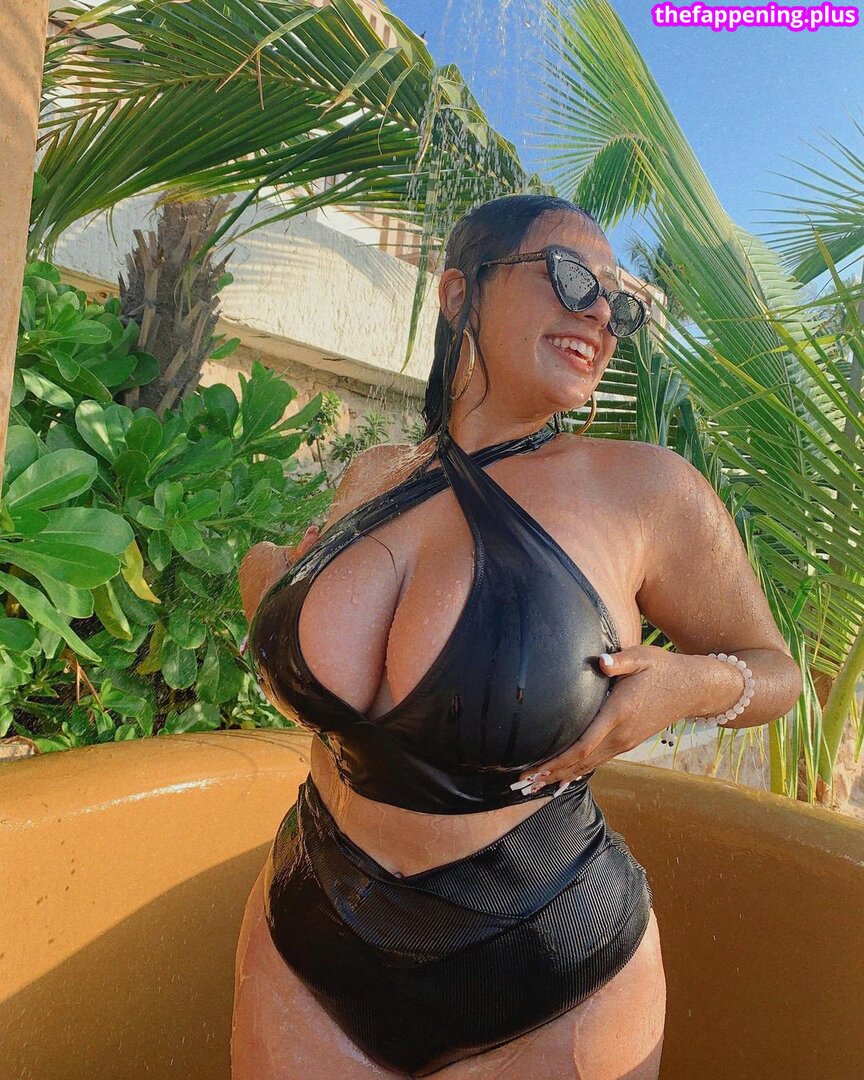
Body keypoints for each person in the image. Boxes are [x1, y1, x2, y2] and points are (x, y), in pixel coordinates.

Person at [231, 194, 803, 1079]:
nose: (600, 314)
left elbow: (777, 674)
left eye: (620, 302)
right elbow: (340, 682)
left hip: (549, 968)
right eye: (572, 277)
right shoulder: (374, 477)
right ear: (459, 292)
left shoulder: (646, 490)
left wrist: (688, 685)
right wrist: (269, 581)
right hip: (309, 933)